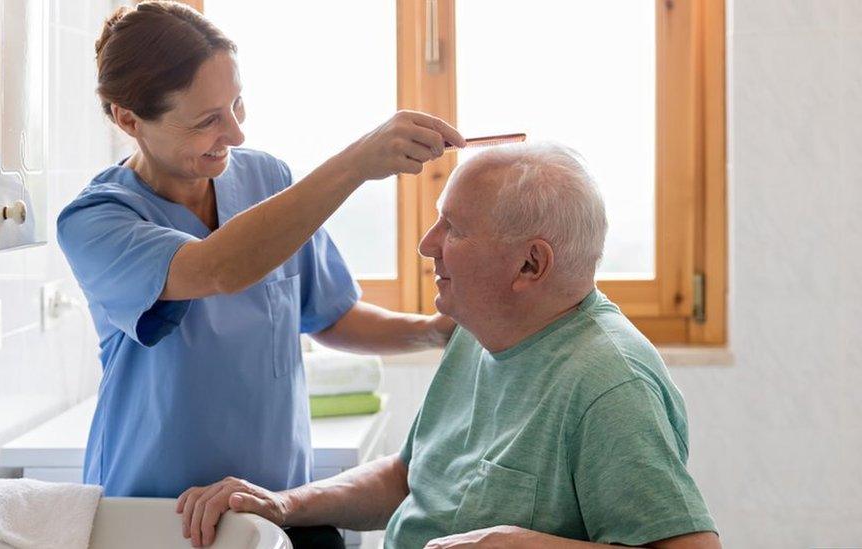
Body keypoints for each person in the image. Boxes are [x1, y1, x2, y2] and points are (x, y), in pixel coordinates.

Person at [56, 2, 465, 545]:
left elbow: (330, 315)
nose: (235, 133)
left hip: (278, 505)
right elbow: (217, 268)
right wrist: (355, 164)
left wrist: (435, 332)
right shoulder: (96, 221)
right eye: (207, 120)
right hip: (161, 517)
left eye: (237, 104)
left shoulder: (268, 181)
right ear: (128, 118)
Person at [179, 143, 721, 549]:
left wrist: (520, 545)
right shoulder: (476, 331)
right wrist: (285, 503)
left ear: (530, 264)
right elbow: (409, 475)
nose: (425, 245)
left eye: (453, 229)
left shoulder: (609, 384)